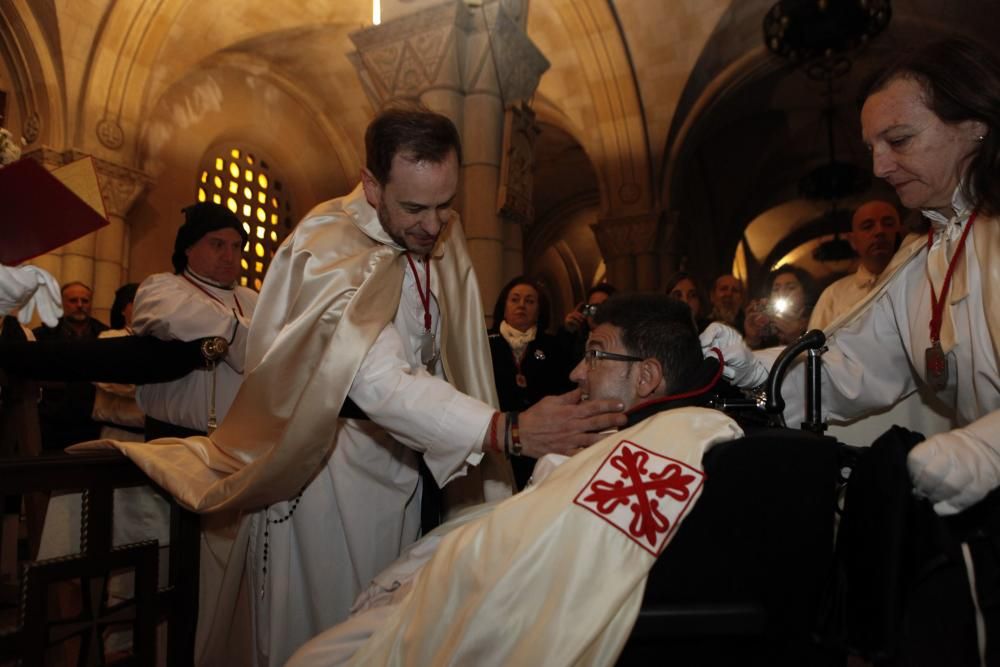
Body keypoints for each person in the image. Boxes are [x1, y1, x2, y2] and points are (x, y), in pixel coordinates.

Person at [81, 107, 626, 666]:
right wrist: (502, 429)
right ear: (371, 185)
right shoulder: (327, 247)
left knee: (393, 632)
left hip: (410, 467)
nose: (434, 225)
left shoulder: (441, 231)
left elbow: (447, 351)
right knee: (325, 636)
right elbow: (376, 376)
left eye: (445, 204)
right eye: (414, 207)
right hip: (323, 476)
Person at [285, 294, 742, 666]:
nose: (576, 372)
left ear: (646, 377)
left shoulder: (657, 449)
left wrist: (440, 577)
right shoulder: (618, 437)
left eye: (595, 355)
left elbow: (557, 569)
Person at [702, 37, 1000, 550]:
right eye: (872, 148)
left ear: (975, 123)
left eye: (900, 140)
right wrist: (763, 371)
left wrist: (991, 446)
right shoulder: (927, 254)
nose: (880, 168)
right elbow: (854, 367)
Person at [131, 203, 257, 439]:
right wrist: (243, 336)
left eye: (236, 246)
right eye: (217, 244)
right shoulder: (161, 287)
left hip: (243, 439)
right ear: (189, 247)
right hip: (174, 438)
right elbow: (175, 316)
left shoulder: (252, 299)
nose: (229, 256)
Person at [487, 276, 575, 489]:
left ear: (539, 309)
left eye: (529, 301)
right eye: (515, 299)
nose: (521, 306)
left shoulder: (554, 346)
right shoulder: (485, 343)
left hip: (541, 440)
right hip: (497, 441)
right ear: (504, 306)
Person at [33, 282, 108, 450]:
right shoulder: (42, 336)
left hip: (92, 421)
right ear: (62, 304)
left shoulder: (106, 336)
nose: (80, 305)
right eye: (73, 301)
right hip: (53, 420)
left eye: (85, 301)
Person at [809, 200, 902, 330]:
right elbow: (817, 347)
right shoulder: (833, 296)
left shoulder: (914, 282)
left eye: (888, 224)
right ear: (853, 240)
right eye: (868, 226)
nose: (879, 231)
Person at [92, 283, 144, 441]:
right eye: (138, 301)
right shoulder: (110, 338)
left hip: (152, 435)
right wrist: (152, 388)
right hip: (118, 433)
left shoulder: (162, 341)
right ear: (123, 309)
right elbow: (109, 377)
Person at [743, 265, 818, 349]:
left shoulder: (817, 322)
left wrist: (797, 339)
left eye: (791, 288)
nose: (782, 293)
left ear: (805, 293)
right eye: (776, 289)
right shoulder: (767, 327)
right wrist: (752, 339)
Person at [557, 282, 616, 363]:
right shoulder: (575, 343)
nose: (596, 312)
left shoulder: (624, 343)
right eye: (591, 307)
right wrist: (568, 332)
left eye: (602, 307)